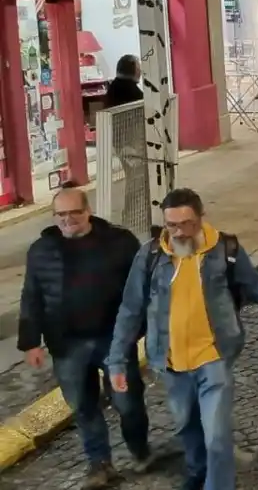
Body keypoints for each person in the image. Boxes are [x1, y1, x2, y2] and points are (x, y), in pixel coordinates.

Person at [107, 188, 258, 490]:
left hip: (214, 357)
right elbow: (130, 309)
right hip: (171, 362)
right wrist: (116, 360)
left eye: (187, 224)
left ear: (200, 217)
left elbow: (254, 286)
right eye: (172, 225)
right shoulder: (151, 255)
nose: (180, 232)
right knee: (187, 427)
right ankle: (197, 471)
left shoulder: (225, 249)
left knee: (217, 437)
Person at [19, 185, 152, 489]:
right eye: (61, 214)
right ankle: (99, 464)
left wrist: (142, 329)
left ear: (88, 211)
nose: (67, 220)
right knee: (83, 406)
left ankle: (140, 450)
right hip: (67, 345)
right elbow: (32, 296)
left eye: (74, 213)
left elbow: (140, 290)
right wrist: (30, 341)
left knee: (128, 401)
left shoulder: (119, 243)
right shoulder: (41, 251)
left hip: (114, 342)